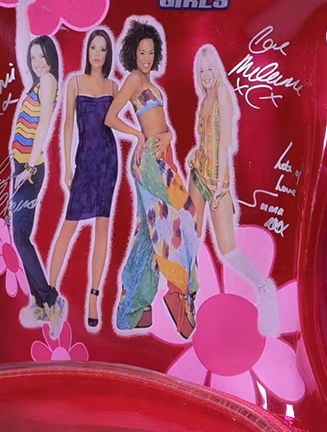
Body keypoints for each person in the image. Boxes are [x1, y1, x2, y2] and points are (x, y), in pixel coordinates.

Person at [105, 18, 199, 338]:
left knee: (149, 232)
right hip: (149, 163)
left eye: (150, 53)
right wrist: (138, 136)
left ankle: (134, 307)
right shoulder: (134, 80)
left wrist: (168, 135)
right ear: (133, 53)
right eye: (141, 52)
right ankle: (177, 293)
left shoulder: (151, 84)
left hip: (164, 157)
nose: (146, 58)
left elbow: (162, 125)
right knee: (179, 220)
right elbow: (110, 117)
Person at [187, 43, 279, 337]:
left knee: (227, 250)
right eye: (201, 71)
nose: (206, 75)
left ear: (217, 68)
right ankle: (188, 304)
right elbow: (206, 142)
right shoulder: (205, 99)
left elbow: (226, 145)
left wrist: (219, 185)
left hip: (217, 181)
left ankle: (263, 288)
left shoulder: (223, 95)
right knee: (190, 238)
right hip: (198, 172)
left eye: (209, 69)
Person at [46, 28, 119, 329]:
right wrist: (66, 166)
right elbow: (67, 126)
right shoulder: (74, 82)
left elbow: (117, 121)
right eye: (93, 48)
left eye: (103, 49)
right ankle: (49, 293)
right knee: (68, 227)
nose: (97, 54)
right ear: (87, 50)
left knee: (102, 228)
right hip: (84, 162)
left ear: (108, 54)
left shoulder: (114, 86)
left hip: (108, 162)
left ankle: (94, 297)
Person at [8, 0, 64, 336]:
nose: (37, 61)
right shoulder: (36, 81)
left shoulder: (48, 81)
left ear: (50, 58)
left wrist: (28, 167)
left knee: (20, 236)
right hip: (21, 167)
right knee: (21, 237)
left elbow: (44, 124)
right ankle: (42, 303)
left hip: (29, 170)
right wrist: (21, 11)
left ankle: (50, 299)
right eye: (34, 57)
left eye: (42, 56)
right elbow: (21, 48)